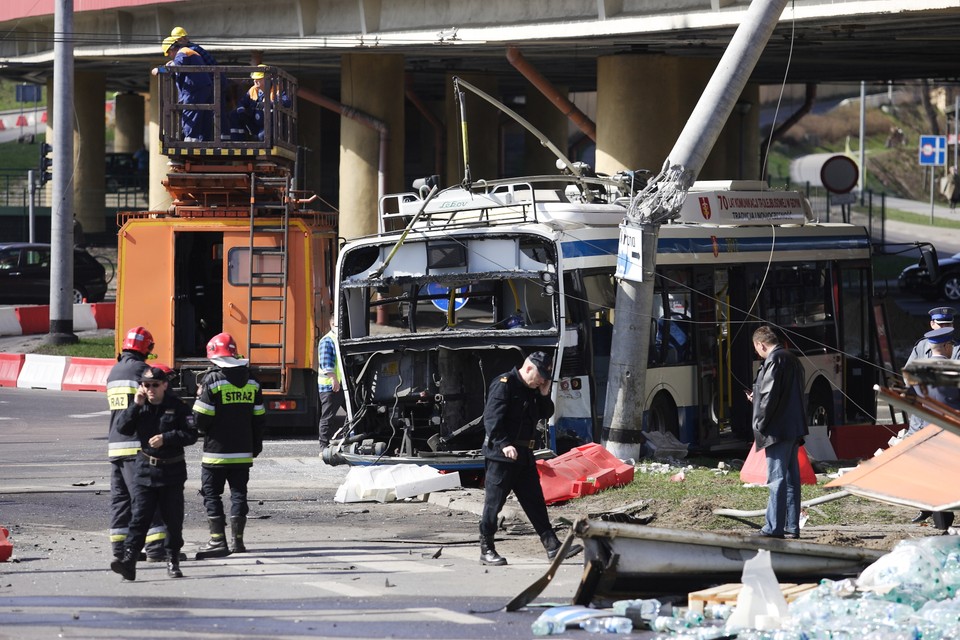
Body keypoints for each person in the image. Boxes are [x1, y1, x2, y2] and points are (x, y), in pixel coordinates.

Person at [478, 351, 583, 565]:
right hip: (502, 457)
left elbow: (546, 413)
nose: (543, 380)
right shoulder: (504, 384)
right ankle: (486, 548)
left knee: (535, 502)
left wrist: (544, 394)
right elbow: (491, 419)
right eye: (541, 375)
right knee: (494, 504)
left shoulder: (533, 389)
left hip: (524, 456)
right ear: (528, 368)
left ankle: (552, 546)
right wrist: (504, 444)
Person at [110, 366, 198, 581]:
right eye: (146, 385)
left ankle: (172, 560)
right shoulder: (140, 406)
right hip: (145, 470)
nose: (150, 389)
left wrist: (167, 438)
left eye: (154, 385)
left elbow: (191, 434)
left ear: (164, 385)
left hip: (171, 471)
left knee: (173, 520)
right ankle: (129, 562)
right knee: (139, 518)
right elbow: (123, 428)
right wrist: (136, 405)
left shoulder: (178, 407)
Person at [192, 333, 265, 558]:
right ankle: (238, 542)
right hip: (243, 452)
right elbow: (259, 418)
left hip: (216, 452)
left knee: (212, 494)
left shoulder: (212, 380)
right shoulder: (252, 381)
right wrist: (254, 445)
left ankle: (217, 540)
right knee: (239, 494)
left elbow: (200, 419)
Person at [105, 326, 169, 563]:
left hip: (116, 446)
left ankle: (120, 551)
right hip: (136, 446)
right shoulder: (142, 370)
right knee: (146, 498)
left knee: (121, 500)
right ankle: (155, 549)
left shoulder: (114, 371)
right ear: (147, 348)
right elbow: (155, 402)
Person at [748, 325, 808, 540]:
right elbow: (784, 393)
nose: (757, 352)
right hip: (793, 427)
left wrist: (759, 424)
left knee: (777, 480)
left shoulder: (773, 360)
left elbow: (769, 396)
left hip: (777, 428)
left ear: (760, 344)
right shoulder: (793, 359)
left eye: (756, 349)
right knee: (791, 480)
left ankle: (773, 528)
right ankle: (792, 527)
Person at [905, 326, 960, 528]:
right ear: (946, 346)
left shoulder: (916, 371)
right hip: (953, 431)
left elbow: (910, 401)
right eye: (951, 345)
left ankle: (941, 524)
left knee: (937, 478)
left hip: (928, 431)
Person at [152, 36, 214, 141]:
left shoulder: (183, 52)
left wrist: (159, 70)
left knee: (191, 110)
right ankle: (202, 139)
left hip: (194, 88)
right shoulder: (189, 52)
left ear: (172, 49)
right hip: (203, 86)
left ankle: (190, 139)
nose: (169, 56)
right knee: (202, 115)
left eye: (168, 53)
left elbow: (176, 66)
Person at [229, 65, 291, 141]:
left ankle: (258, 139)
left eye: (258, 79)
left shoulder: (276, 90)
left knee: (261, 137)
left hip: (270, 125)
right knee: (234, 114)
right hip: (254, 124)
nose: (255, 81)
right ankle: (237, 141)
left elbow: (287, 102)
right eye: (254, 79)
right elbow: (242, 102)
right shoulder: (253, 90)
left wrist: (269, 104)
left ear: (267, 79)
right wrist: (241, 110)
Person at [317, 317, 343, 455]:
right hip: (329, 386)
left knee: (354, 415)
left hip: (339, 384)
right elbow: (326, 363)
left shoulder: (336, 339)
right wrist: (333, 379)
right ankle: (323, 447)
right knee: (328, 417)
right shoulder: (328, 340)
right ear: (332, 323)